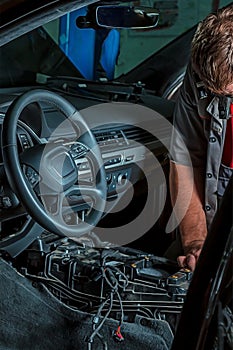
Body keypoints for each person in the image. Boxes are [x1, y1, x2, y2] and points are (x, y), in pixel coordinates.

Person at [166, 4, 233, 271]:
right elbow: (185, 158)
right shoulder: (199, 76)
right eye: (213, 92)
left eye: (228, 95)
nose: (220, 103)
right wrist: (196, 241)